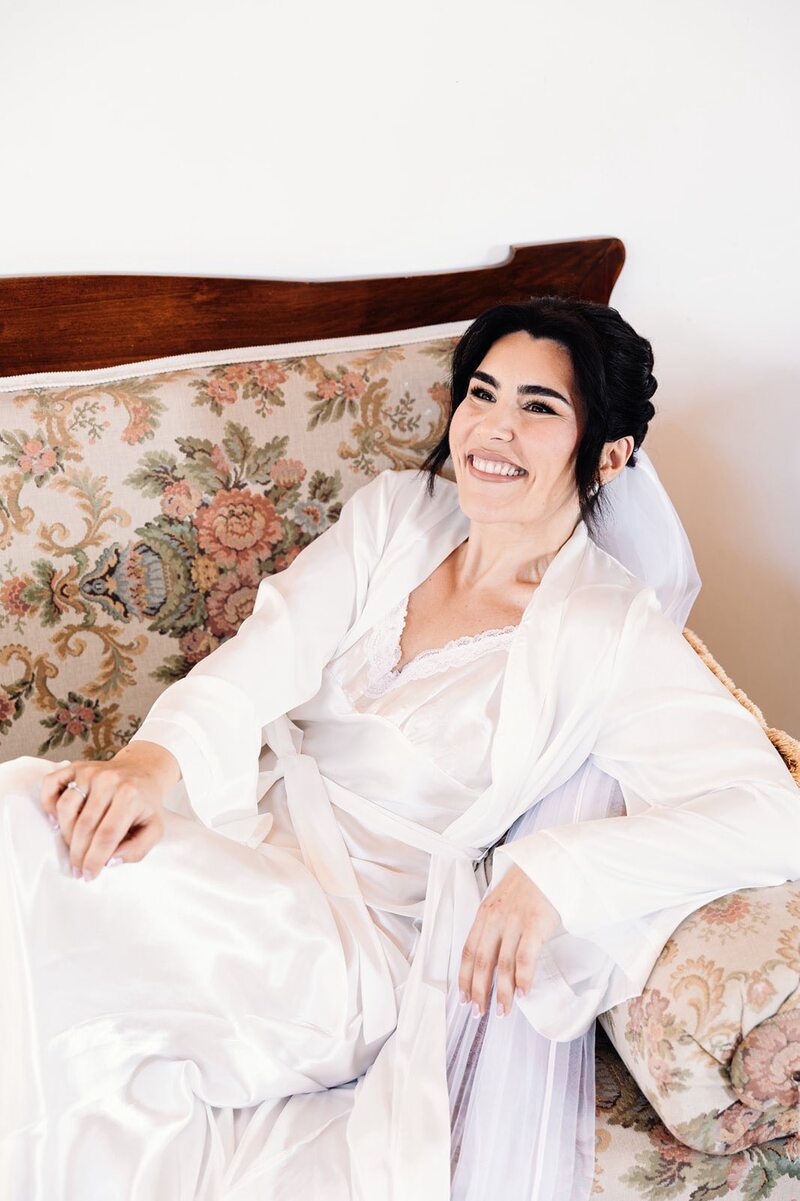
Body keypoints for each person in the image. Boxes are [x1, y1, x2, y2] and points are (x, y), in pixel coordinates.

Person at [1, 297, 798, 1201]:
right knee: (29, 812)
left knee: (44, 880)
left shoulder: (611, 633)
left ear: (609, 454)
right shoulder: (398, 515)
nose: (493, 428)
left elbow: (775, 813)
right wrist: (150, 765)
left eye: (539, 407)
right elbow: (269, 648)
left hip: (348, 945)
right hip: (240, 835)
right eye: (482, 393)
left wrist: (553, 875)